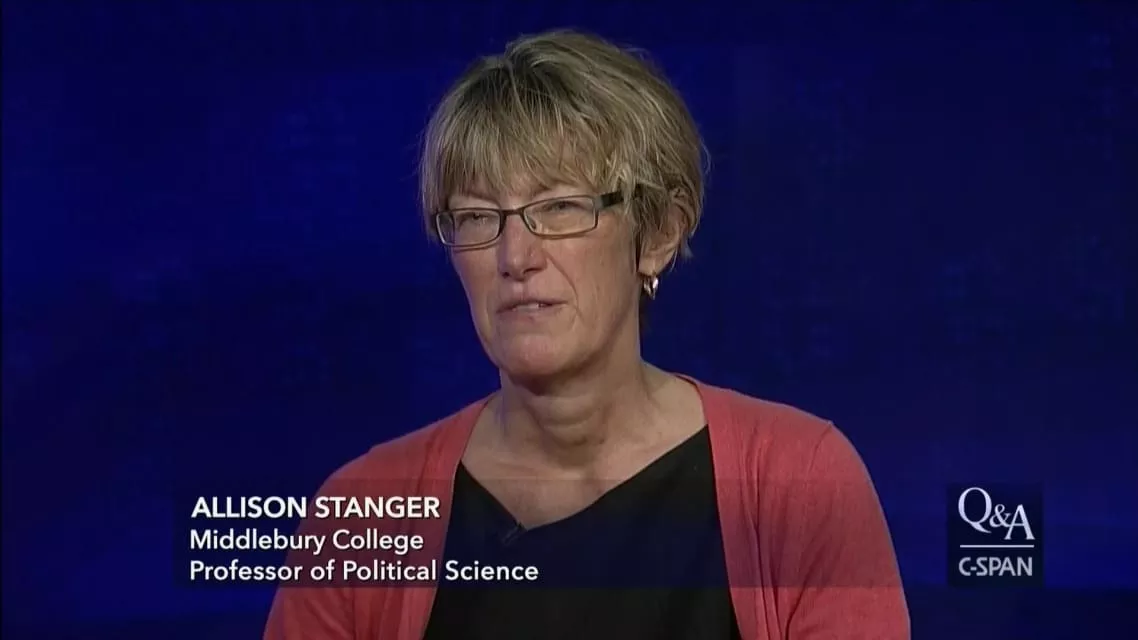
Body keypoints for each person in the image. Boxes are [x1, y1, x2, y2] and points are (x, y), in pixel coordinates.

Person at [264, 29, 909, 639]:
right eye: (479, 217)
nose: (515, 257)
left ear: (658, 234)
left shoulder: (801, 483)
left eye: (559, 208)